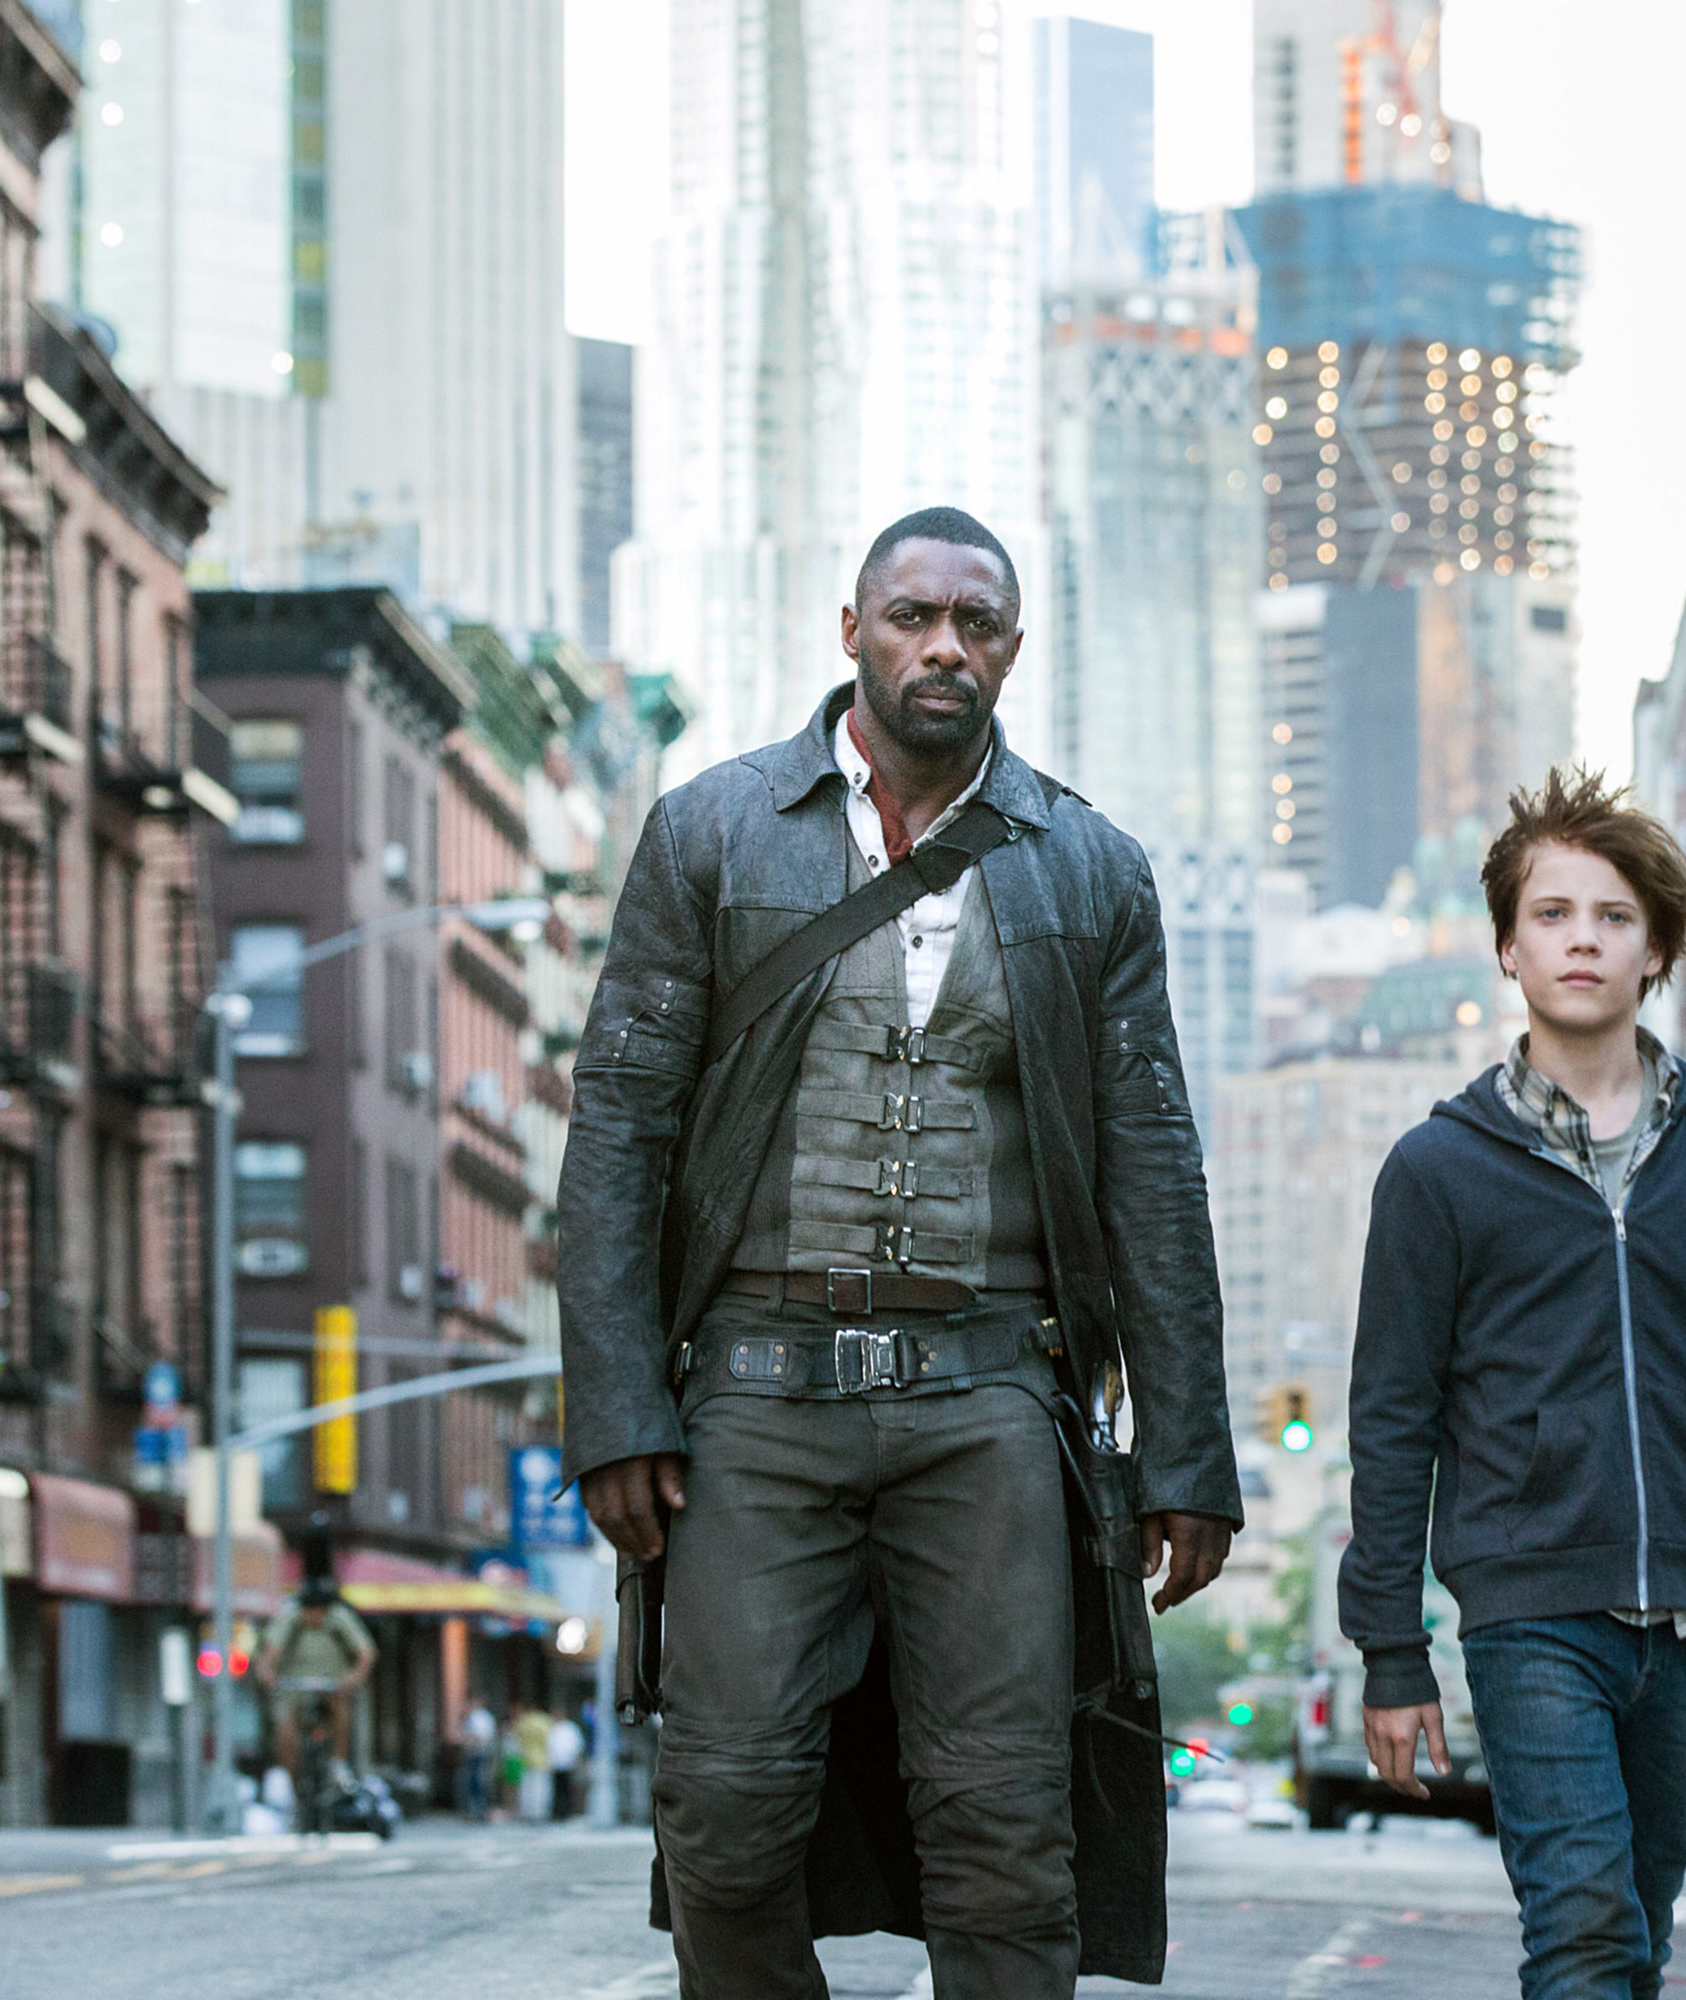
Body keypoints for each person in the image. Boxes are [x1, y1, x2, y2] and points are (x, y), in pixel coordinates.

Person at [559, 505, 1242, 1998]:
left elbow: (1151, 1167)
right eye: (914, 615)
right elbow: (618, 1129)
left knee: (1006, 1831)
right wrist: (615, 1409)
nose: (945, 644)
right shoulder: (711, 831)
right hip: (753, 1392)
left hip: (991, 1396)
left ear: (1011, 649)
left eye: (977, 623)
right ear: (851, 630)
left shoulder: (1090, 866)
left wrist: (1186, 1451)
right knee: (723, 1819)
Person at [1343, 768, 1686, 2000]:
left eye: (1612, 915)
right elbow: (1392, 1419)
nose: (1581, 936)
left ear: (1656, 952)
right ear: (1505, 945)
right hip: (1531, 1603)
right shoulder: (1439, 1170)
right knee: (1583, 1929)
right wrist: (1390, 1646)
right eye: (1551, 912)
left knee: (1635, 1936)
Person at [255, 1579, 375, 1835]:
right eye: (313, 1611)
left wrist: (353, 1676)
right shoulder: (289, 1618)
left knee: (341, 1707)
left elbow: (365, 1652)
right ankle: (288, 1783)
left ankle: (338, 1763)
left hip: (331, 1684)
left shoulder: (338, 1618)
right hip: (293, 1685)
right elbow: (271, 1650)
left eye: (322, 1611)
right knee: (286, 1726)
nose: (317, 1616)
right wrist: (267, 1672)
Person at [456, 1698, 499, 1820]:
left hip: (479, 1753)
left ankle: (481, 1809)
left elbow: (482, 1738)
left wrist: (472, 1740)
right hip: (471, 1754)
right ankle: (473, 1809)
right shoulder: (470, 1717)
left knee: (479, 1782)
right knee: (470, 1782)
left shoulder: (481, 1717)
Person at [545, 1706, 587, 1820]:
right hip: (556, 1764)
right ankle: (557, 1812)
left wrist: (574, 1759)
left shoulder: (570, 1728)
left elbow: (576, 1745)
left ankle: (567, 1812)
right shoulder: (553, 1728)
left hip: (568, 1763)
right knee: (557, 1790)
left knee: (568, 1790)